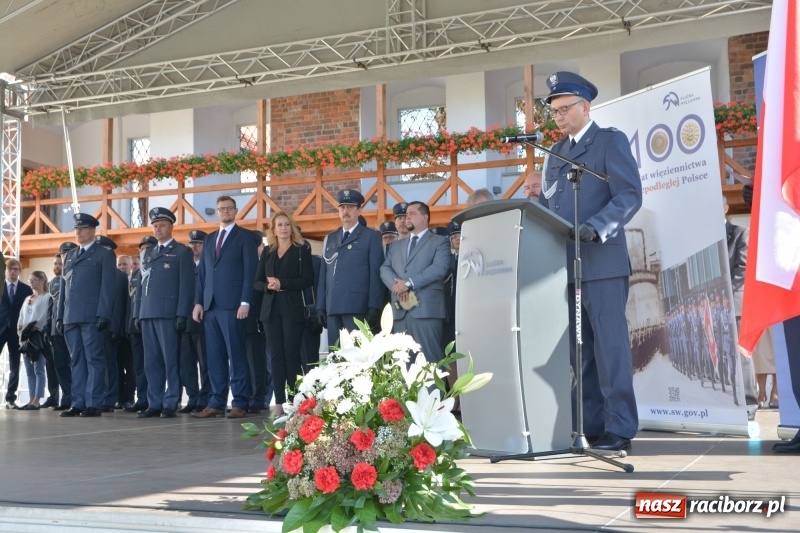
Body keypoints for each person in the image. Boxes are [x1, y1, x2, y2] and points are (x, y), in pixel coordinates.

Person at [539, 71, 642, 452]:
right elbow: (548, 206)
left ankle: (620, 427)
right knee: (580, 353)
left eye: (564, 109)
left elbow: (629, 195)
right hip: (567, 267)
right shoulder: (555, 154)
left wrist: (597, 227)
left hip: (602, 263)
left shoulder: (609, 142)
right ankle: (592, 425)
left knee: (611, 348)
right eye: (554, 112)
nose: (559, 117)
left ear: (586, 107)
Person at [192, 196, 257, 419]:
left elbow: (250, 271)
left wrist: (245, 301)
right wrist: (198, 302)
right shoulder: (209, 239)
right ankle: (216, 403)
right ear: (217, 212)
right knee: (214, 356)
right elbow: (202, 274)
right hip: (210, 306)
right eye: (221, 209)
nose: (225, 211)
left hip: (233, 305)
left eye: (229, 208)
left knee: (236, 354)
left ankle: (239, 402)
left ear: (236, 211)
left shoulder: (245, 237)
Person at [136, 207, 194, 418]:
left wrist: (182, 314)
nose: (158, 229)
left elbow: (186, 285)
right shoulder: (148, 253)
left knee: (171, 360)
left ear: (170, 227)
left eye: (161, 225)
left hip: (169, 313)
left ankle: (170, 402)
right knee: (151, 361)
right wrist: (137, 313)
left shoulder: (182, 251)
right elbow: (142, 285)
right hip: (147, 312)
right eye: (155, 226)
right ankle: (155, 402)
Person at [57, 213, 116, 417]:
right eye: (76, 229)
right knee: (76, 361)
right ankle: (78, 402)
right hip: (71, 316)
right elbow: (64, 288)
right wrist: (59, 316)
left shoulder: (104, 254)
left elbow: (108, 288)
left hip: (92, 316)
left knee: (94, 359)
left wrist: (104, 314)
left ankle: (94, 403)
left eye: (82, 229)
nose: (78, 232)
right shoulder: (70, 256)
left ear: (92, 231)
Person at [255, 212, 313, 416]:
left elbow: (308, 279)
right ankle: (279, 401)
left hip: (292, 308)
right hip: (271, 309)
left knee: (291, 355)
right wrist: (268, 286)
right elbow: (257, 282)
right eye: (279, 225)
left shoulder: (301, 250)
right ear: (273, 229)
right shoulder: (268, 251)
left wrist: (283, 283)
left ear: (292, 227)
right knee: (276, 357)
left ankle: (294, 400)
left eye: (287, 224)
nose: (283, 228)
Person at [381, 201, 451, 364]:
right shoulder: (395, 246)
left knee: (430, 363)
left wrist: (408, 283)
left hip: (426, 312)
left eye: (412, 213)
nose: (407, 217)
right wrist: (397, 287)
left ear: (425, 217)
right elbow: (384, 269)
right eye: (406, 214)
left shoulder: (439, 242)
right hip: (400, 312)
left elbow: (439, 269)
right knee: (403, 364)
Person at [317, 189, 384, 350]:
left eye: (350, 207)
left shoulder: (371, 236)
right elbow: (324, 275)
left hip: (358, 307)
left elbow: (375, 274)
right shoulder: (330, 238)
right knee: (336, 357)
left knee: (358, 357)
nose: (345, 211)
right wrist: (321, 306)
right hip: (333, 307)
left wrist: (374, 306)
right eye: (342, 207)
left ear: (359, 210)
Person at [723, 195, 759, 418]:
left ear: (725, 208)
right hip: (716, 308)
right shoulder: (708, 238)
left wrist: (724, 293)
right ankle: (728, 403)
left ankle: (749, 405)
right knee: (723, 355)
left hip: (734, 304)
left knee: (741, 355)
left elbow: (742, 269)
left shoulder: (740, 233)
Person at [94, 235, 128, 413]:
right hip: (92, 325)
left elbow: (119, 304)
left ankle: (110, 397)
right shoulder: (93, 271)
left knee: (110, 365)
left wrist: (116, 327)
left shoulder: (119, 276)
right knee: (95, 363)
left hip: (109, 327)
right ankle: (97, 397)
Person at [179, 229, 210, 413]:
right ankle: (192, 397)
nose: (194, 247)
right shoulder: (185, 266)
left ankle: (204, 398)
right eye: (191, 244)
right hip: (185, 321)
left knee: (205, 363)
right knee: (186, 364)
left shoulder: (208, 266)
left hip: (202, 322)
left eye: (198, 244)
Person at [16, 271, 52, 410]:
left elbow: (43, 317)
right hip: (24, 338)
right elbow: (21, 316)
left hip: (37, 337)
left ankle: (37, 400)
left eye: (34, 279)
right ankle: (31, 399)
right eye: (30, 280)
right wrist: (20, 330)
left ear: (42, 280)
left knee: (39, 369)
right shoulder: (27, 298)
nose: (31, 282)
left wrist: (32, 329)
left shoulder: (47, 297)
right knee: (29, 370)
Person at [2, 258, 33, 409]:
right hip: (0, 328)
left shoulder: (26, 289)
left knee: (15, 365)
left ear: (20, 271)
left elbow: (29, 310)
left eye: (16, 269)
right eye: (10, 269)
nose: (13, 272)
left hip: (17, 332)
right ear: (5, 270)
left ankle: (10, 398)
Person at [49, 244, 76, 410]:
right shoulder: (52, 282)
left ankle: (78, 397)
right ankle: (67, 398)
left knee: (75, 363)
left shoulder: (73, 276)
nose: (58, 266)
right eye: (56, 263)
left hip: (71, 325)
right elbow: (51, 306)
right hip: (55, 329)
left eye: (61, 263)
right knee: (60, 365)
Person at [114, 255, 135, 409]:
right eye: (119, 265)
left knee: (131, 367)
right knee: (118, 367)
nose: (122, 267)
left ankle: (129, 398)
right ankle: (120, 397)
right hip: (116, 331)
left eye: (125, 264)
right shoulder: (114, 284)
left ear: (131, 266)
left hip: (131, 331)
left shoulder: (134, 282)